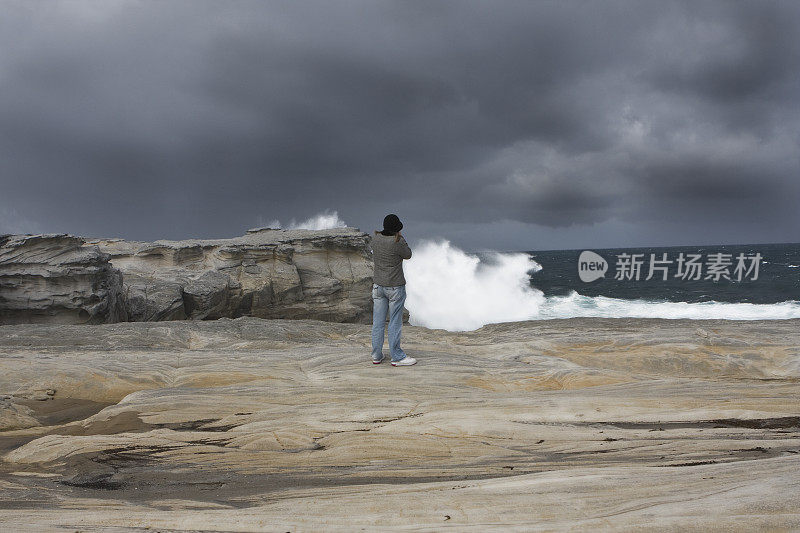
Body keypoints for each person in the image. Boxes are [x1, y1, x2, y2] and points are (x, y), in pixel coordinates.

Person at [369, 214, 416, 366]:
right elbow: (408, 254)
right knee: (394, 322)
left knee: (378, 322)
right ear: (397, 229)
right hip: (395, 287)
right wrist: (401, 238)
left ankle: (376, 355)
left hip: (378, 286)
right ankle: (397, 357)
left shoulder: (375, 239)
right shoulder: (398, 241)